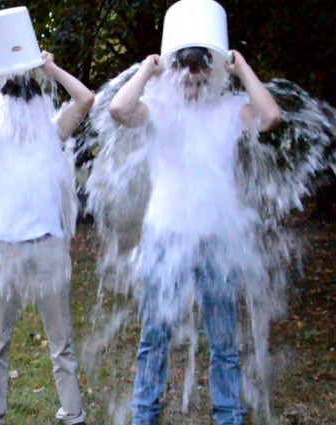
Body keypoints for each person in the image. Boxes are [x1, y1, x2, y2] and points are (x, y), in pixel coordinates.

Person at [108, 46, 282, 425]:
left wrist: (243, 69)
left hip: (216, 239)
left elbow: (270, 117)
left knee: (224, 343)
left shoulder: (229, 109)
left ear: (212, 74)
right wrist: (147, 70)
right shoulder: (158, 106)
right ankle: (144, 417)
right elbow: (119, 110)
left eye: (202, 78)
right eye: (187, 79)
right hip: (165, 237)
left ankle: (228, 417)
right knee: (155, 337)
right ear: (176, 74)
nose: (194, 87)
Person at [0, 51, 93, 425]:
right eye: (15, 96)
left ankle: (72, 411)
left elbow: (86, 99)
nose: (21, 103)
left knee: (58, 341)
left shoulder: (52, 130)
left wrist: (51, 68)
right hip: (4, 250)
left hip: (45, 247)